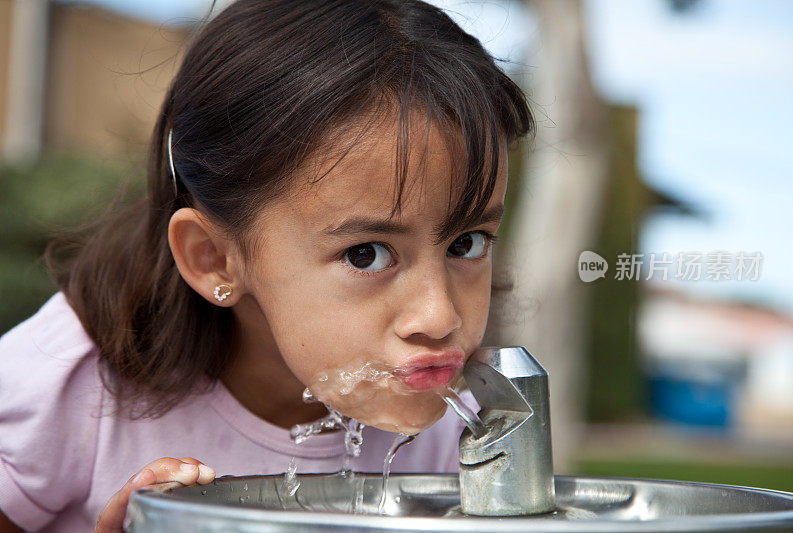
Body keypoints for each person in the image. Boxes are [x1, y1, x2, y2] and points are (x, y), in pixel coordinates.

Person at [0, 0, 532, 531]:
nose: (440, 318)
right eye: (365, 253)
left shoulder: (456, 426)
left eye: (466, 243)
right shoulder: (65, 384)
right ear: (214, 259)